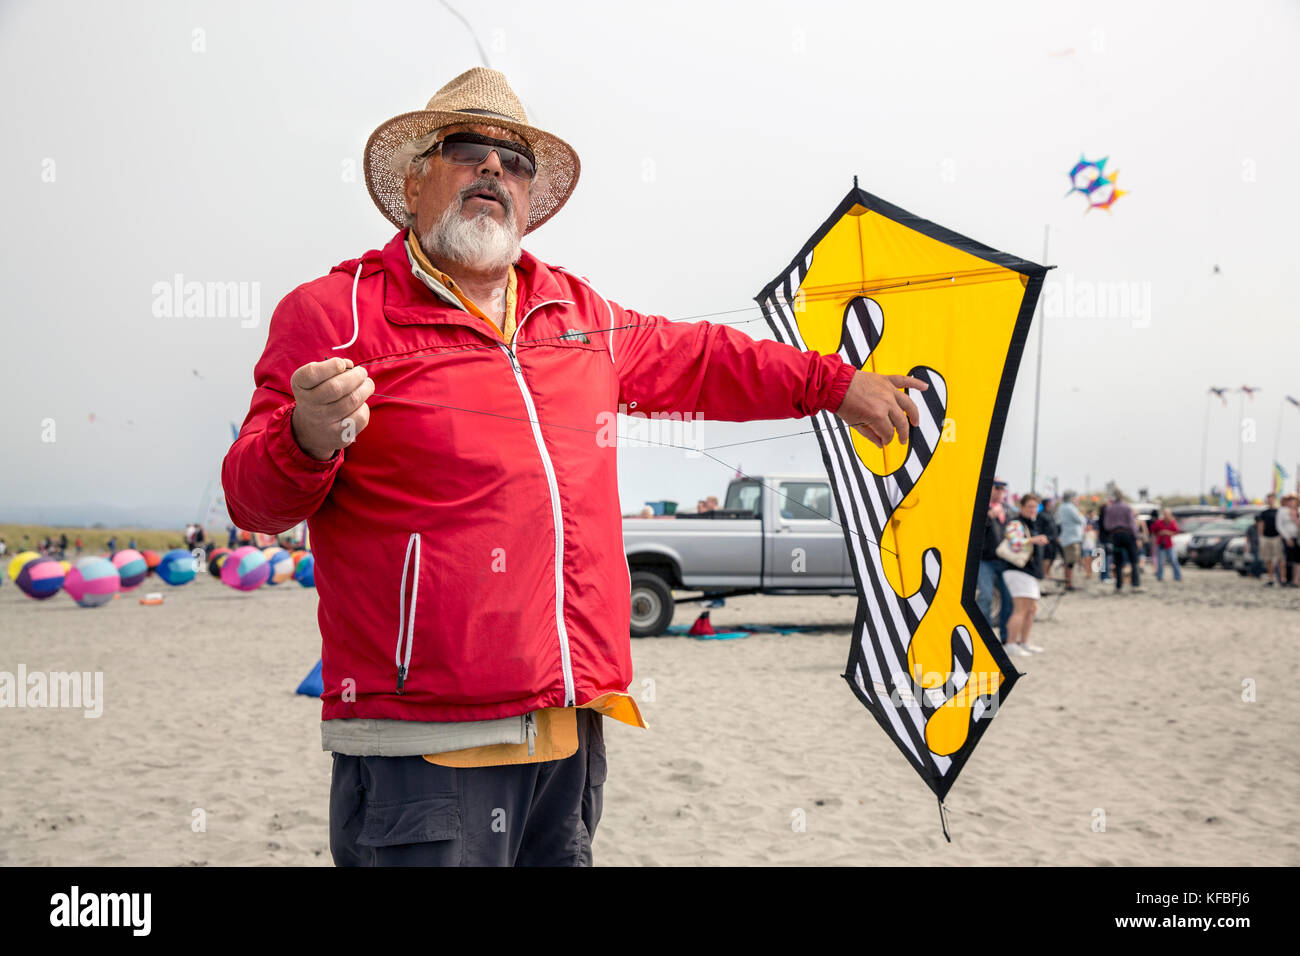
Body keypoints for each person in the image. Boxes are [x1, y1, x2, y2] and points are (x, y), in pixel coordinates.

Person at [221, 68, 929, 868]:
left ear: (530, 198)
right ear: (415, 180)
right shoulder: (333, 312)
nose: (495, 170)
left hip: (569, 732)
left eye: (515, 161)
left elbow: (702, 360)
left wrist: (835, 383)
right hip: (423, 749)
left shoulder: (575, 312)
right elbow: (254, 499)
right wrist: (304, 436)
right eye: (469, 150)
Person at [1001, 492, 1050, 657]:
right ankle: (1011, 643)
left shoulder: (1032, 524)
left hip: (1028, 572)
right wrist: (1033, 540)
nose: (1033, 509)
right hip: (1017, 570)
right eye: (1029, 506)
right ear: (1021, 507)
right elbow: (1014, 543)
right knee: (1020, 609)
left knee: (1032, 608)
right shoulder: (1015, 522)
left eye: (1035, 506)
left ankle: (1024, 641)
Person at [976, 479, 1014, 643]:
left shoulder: (1008, 509)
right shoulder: (980, 506)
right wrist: (987, 517)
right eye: (996, 488)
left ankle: (1005, 637)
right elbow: (972, 532)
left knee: (1009, 598)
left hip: (1005, 560)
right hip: (985, 560)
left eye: (1002, 488)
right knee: (985, 595)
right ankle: (987, 638)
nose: (1000, 491)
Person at [1101, 492, 1140, 591]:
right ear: (1122, 497)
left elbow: (1107, 525)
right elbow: (1132, 523)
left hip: (1116, 536)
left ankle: (1119, 585)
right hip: (1128, 535)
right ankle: (1135, 584)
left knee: (1118, 561)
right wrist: (1137, 537)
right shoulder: (1127, 507)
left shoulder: (1109, 509)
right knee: (1133, 560)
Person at [1056, 492, 1085, 590]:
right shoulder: (1070, 507)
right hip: (1071, 538)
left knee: (1068, 562)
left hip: (1067, 537)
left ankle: (1068, 582)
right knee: (1070, 563)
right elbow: (1080, 520)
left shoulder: (1061, 507)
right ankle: (1068, 584)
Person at [1258, 493, 1284, 586]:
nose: (1270, 501)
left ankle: (1282, 578)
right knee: (1268, 559)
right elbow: (1261, 525)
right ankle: (1271, 578)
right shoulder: (1264, 513)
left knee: (1280, 559)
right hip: (1266, 537)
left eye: (1272, 499)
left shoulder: (1279, 511)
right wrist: (1261, 537)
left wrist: (1282, 535)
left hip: (1277, 537)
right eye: (1269, 499)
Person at [1150, 508, 1182, 582]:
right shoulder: (1158, 522)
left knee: (1174, 560)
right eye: (1165, 514)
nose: (1166, 516)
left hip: (1169, 544)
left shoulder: (1172, 522)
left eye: (1167, 514)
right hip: (1160, 544)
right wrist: (1159, 534)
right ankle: (1160, 576)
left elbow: (1176, 532)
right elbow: (1152, 531)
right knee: (1160, 562)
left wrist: (1167, 532)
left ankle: (1177, 576)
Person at [1278, 494, 1300, 587]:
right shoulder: (1282, 511)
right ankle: (1285, 579)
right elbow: (1279, 525)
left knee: (1297, 560)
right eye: (1290, 500)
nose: (1291, 502)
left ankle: (1295, 580)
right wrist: (1287, 538)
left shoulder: (1299, 511)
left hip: (1298, 538)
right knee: (1286, 559)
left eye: (1293, 500)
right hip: (1287, 538)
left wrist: (1294, 518)